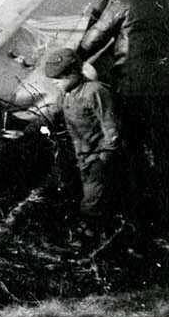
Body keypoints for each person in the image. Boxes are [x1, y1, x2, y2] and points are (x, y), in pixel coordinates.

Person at [76, 0, 169, 237]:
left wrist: (75, 57)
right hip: (166, 90)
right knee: (165, 154)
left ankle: (137, 221)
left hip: (131, 88)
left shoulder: (124, 3)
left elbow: (93, 40)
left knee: (132, 153)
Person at [43, 47, 122, 239]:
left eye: (58, 79)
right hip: (79, 153)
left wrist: (103, 158)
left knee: (92, 199)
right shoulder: (67, 92)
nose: (55, 83)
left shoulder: (95, 91)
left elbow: (111, 129)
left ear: (74, 74)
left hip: (96, 156)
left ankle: (89, 236)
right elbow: (52, 113)